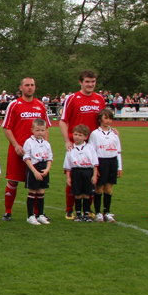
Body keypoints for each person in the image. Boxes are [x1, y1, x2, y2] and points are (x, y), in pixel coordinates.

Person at [1, 77, 51, 222]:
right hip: (19, 150)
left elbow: (46, 127)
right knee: (13, 181)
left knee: (38, 180)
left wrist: (45, 146)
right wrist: (16, 145)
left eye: (32, 85)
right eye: (27, 85)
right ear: (21, 88)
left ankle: (38, 213)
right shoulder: (14, 105)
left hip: (37, 153)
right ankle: (8, 212)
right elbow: (7, 128)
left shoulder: (41, 105)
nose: (30, 87)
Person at [59, 70, 105, 219]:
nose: (90, 84)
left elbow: (103, 121)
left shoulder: (100, 99)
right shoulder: (73, 98)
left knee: (90, 177)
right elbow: (63, 120)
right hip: (76, 143)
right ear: (81, 82)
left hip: (93, 145)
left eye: (93, 82)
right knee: (73, 177)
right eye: (87, 81)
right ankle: (69, 208)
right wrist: (67, 141)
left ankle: (87, 208)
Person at [90, 109, 122, 223]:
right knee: (99, 188)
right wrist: (95, 167)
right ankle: (98, 212)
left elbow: (118, 151)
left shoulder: (114, 134)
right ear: (100, 120)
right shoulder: (95, 134)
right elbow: (92, 151)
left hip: (113, 162)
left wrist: (120, 167)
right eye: (105, 118)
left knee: (108, 189)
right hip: (101, 162)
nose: (108, 121)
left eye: (110, 118)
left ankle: (107, 212)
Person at [62, 124, 99, 223]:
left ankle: (86, 214)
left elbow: (95, 163)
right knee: (77, 194)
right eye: (75, 134)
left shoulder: (89, 148)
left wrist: (95, 175)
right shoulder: (71, 148)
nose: (77, 137)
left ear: (86, 137)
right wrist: (68, 178)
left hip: (87, 171)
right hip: (76, 172)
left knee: (87, 194)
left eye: (80, 135)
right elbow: (68, 165)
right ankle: (78, 214)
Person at [22, 119, 54, 225]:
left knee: (41, 192)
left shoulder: (46, 143)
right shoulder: (29, 142)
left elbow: (50, 157)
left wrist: (47, 169)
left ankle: (40, 214)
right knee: (33, 192)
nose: (40, 132)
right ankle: (30, 216)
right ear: (32, 130)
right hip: (33, 168)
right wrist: (34, 171)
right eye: (38, 130)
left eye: (42, 130)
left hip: (43, 167)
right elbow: (26, 158)